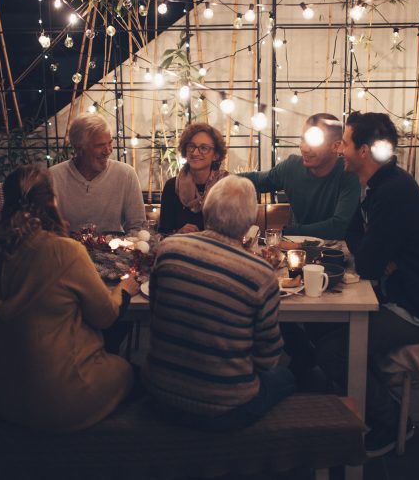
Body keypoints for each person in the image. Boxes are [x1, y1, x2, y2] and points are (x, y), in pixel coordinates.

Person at [316, 111, 419, 457]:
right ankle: (359, 401)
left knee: (333, 350)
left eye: (346, 143)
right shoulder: (376, 184)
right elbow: (350, 233)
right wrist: (381, 258)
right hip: (402, 292)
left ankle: (392, 419)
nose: (340, 150)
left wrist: (379, 258)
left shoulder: (393, 191)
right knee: (322, 330)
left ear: (364, 151)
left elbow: (366, 263)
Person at [0, 163, 140, 432]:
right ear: (52, 199)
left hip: (2, 394)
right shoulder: (64, 250)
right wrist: (124, 288)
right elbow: (106, 316)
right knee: (128, 371)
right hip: (62, 398)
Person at [145, 175, 293, 431]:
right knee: (287, 377)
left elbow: (155, 310)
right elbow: (267, 359)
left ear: (207, 209)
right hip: (224, 410)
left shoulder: (169, 249)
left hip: (159, 395)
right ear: (250, 221)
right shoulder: (260, 273)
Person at [238, 113, 360, 240]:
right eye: (303, 140)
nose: (304, 148)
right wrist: (222, 178)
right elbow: (258, 180)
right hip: (296, 250)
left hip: (336, 253)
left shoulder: (349, 173)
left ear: (336, 146)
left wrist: (292, 231)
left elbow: (339, 227)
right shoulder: (292, 167)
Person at [50, 114, 146, 234]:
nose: (108, 151)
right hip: (70, 251)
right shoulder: (53, 177)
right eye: (100, 145)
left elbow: (138, 228)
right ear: (79, 149)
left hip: (116, 251)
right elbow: (48, 232)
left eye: (109, 143)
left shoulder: (126, 174)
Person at [158, 123, 229, 235]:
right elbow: (163, 233)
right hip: (181, 250)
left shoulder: (226, 186)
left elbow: (234, 233)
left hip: (217, 251)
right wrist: (178, 233)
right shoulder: (172, 187)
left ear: (215, 155)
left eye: (203, 148)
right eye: (191, 146)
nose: (195, 153)